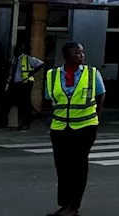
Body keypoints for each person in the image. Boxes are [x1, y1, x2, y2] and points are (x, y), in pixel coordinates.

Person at [43, 42, 106, 216]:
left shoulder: (92, 73)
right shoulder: (52, 75)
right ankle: (64, 203)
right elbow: (49, 98)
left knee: (78, 167)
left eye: (82, 53)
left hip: (85, 127)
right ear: (67, 55)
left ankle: (73, 206)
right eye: (78, 53)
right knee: (62, 167)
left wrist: (96, 117)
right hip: (59, 127)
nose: (82, 56)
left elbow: (101, 95)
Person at [0, 44, 44, 130]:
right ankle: (3, 122)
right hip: (13, 83)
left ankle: (25, 123)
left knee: (24, 104)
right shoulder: (14, 59)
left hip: (25, 83)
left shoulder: (27, 58)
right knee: (5, 102)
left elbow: (41, 63)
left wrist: (32, 72)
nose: (16, 52)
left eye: (18, 50)